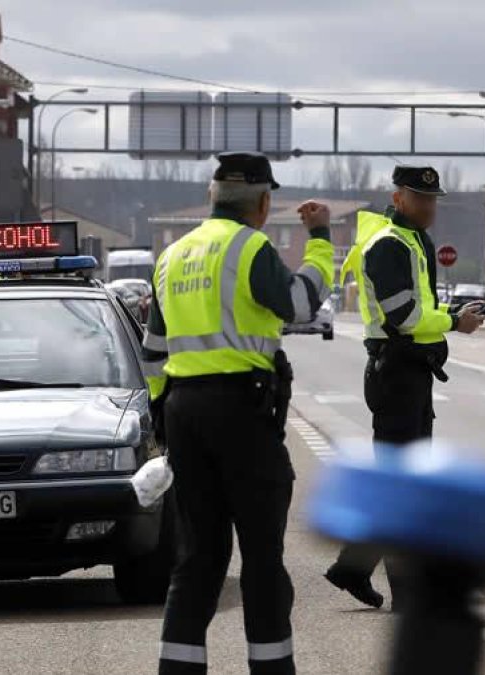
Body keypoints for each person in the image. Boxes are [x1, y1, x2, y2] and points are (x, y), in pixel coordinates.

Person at [141, 151, 335, 675]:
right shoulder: (249, 247)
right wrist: (320, 241)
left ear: (212, 196)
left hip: (184, 414)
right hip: (241, 414)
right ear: (264, 203)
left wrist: (164, 419)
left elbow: (153, 353)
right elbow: (300, 304)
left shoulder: (173, 256)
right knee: (262, 561)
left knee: (197, 560)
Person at [324, 165, 485, 611]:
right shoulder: (388, 246)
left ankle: (353, 568)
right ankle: (406, 594)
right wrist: (455, 322)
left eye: (433, 199)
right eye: (419, 198)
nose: (429, 206)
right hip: (396, 375)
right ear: (398, 199)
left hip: (411, 374)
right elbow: (406, 317)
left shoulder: (414, 241)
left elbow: (421, 307)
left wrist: (452, 312)